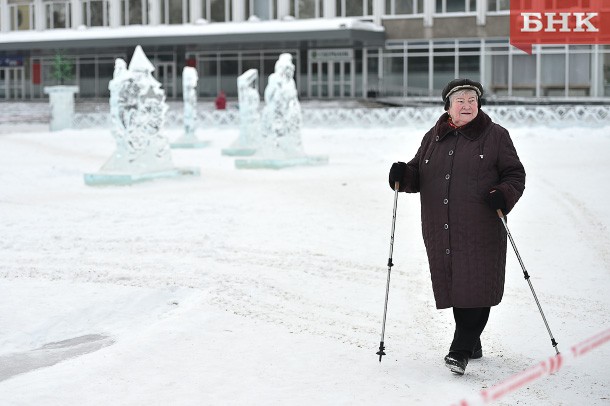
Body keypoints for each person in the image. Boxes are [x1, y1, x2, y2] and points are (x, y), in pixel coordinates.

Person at [388, 78, 526, 375]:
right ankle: (472, 342)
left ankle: (460, 349)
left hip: (481, 226)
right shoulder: (433, 138)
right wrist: (403, 174)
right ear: (448, 106)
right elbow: (418, 172)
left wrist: (504, 194)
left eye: (472, 100)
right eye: (460, 101)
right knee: (457, 285)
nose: (467, 105)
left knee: (475, 284)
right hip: (442, 226)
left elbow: (515, 174)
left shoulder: (495, 136)